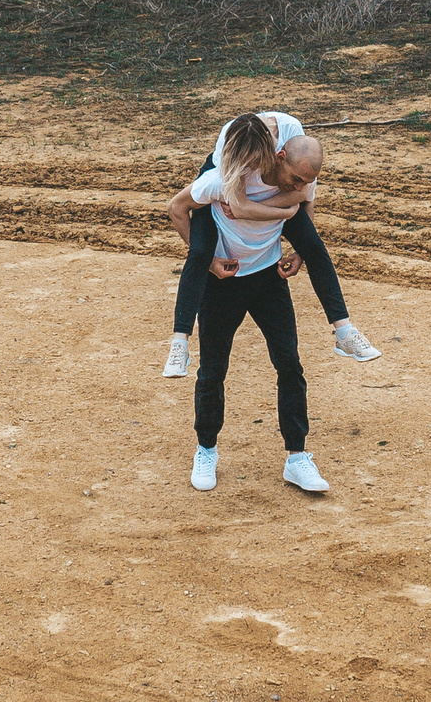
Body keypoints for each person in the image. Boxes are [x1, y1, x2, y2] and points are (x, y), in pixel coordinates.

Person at [161, 108, 379, 377]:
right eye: (249, 166)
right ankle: (180, 341)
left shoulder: (293, 140)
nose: (253, 171)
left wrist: (299, 242)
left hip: (264, 195)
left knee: (314, 246)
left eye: (255, 164)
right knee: (200, 252)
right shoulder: (228, 156)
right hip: (227, 182)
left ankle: (343, 330)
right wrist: (281, 212)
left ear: (277, 155)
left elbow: (303, 194)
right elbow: (237, 206)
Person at [180, 112, 330, 495]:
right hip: (224, 281)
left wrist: (301, 250)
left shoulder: (291, 171)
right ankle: (206, 450)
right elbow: (179, 207)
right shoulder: (226, 173)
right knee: (212, 371)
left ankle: (297, 457)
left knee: (290, 364)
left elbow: (305, 209)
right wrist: (208, 261)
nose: (299, 186)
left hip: (269, 277)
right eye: (296, 179)